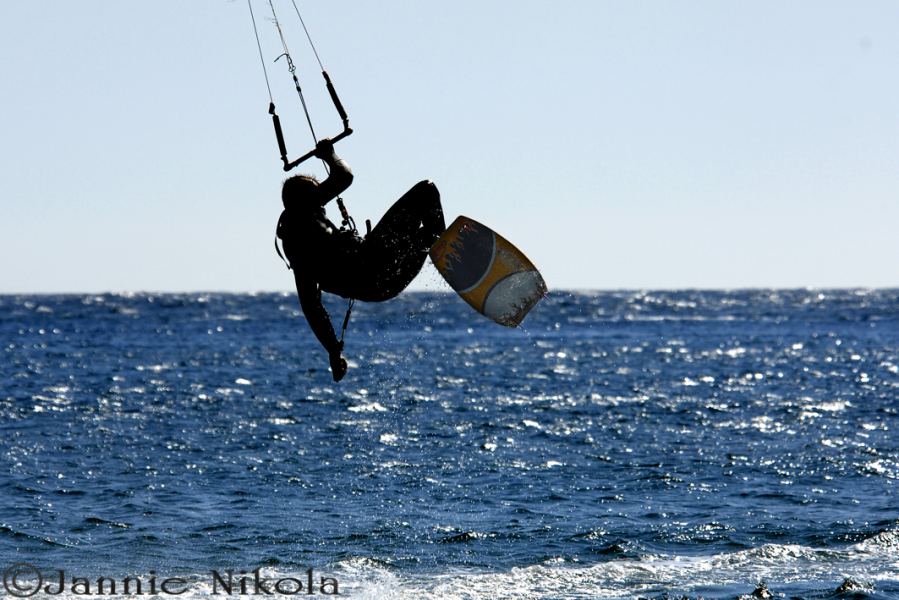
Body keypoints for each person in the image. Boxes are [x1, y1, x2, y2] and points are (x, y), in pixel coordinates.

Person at [276, 139, 446, 382]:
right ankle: (440, 244)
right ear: (308, 199)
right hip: (377, 263)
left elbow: (312, 307)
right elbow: (344, 176)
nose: (324, 199)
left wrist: (334, 352)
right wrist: (330, 154)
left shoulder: (297, 232)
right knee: (426, 192)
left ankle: (435, 242)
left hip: (383, 285)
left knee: (423, 235)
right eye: (319, 194)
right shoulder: (305, 229)